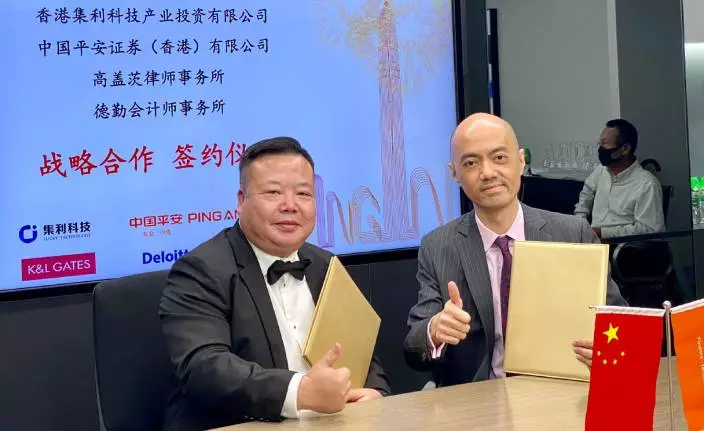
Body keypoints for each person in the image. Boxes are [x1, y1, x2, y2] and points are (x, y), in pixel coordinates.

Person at [159, 137, 391, 431]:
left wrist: (374, 393)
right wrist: (299, 393)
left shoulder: (326, 264)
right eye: (273, 192)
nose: (290, 206)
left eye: (303, 194)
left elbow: (362, 350)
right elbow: (204, 367)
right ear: (241, 200)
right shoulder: (201, 270)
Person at [403, 113, 628, 388]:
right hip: (478, 400)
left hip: (562, 391)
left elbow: (621, 324)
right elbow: (413, 347)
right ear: (454, 173)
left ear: (521, 161)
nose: (488, 173)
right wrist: (436, 330)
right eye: (471, 163)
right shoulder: (438, 246)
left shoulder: (573, 233)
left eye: (499, 158)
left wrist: (606, 349)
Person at [574, 119, 665, 239]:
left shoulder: (647, 184)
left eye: (605, 144)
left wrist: (602, 232)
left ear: (625, 149)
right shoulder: (601, 171)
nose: (600, 149)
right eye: (599, 144)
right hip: (592, 241)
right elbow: (586, 194)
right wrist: (580, 222)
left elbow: (650, 229)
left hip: (623, 246)